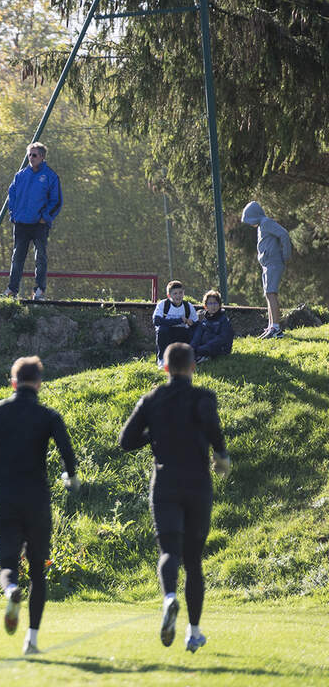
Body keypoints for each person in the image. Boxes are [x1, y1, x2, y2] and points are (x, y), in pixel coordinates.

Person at [119, 342, 231, 654]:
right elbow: (211, 424)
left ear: (165, 367)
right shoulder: (202, 397)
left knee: (169, 551)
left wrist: (153, 435)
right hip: (197, 483)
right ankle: (194, 633)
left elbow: (126, 441)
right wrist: (220, 453)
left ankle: (169, 597)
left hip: (165, 483)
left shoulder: (151, 399)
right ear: (193, 367)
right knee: (194, 561)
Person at [0, 356, 78, 655]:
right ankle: (32, 640)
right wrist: (71, 476)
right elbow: (67, 451)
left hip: (4, 499)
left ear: (13, 381)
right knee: (38, 571)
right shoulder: (48, 416)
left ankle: (11, 590)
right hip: (37, 500)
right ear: (39, 383)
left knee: (7, 565)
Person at [2, 142, 62, 300]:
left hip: (39, 225)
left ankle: (39, 290)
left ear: (42, 157)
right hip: (21, 223)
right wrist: (13, 215)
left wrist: (44, 217)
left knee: (40, 257)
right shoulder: (20, 175)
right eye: (29, 154)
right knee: (17, 257)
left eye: (34, 155)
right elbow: (11, 196)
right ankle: (12, 289)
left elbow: (56, 201)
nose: (31, 158)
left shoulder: (51, 176)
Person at [240, 201, 292, 339]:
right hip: (267, 264)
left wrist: (286, 255)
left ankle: (276, 328)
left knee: (271, 293)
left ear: (254, 215)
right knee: (268, 294)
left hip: (273, 263)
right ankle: (271, 326)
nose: (249, 223)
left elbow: (284, 234)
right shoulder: (261, 225)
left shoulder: (266, 222)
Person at [152, 280, 197, 368]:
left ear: (184, 293)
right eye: (175, 293)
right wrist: (179, 320)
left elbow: (195, 322)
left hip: (181, 333)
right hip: (166, 334)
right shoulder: (163, 304)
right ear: (169, 295)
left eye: (180, 293)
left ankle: (188, 359)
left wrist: (191, 323)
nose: (178, 296)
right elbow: (156, 321)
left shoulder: (188, 306)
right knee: (162, 330)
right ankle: (162, 360)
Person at [190, 291, 234, 364]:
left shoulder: (224, 319)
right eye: (210, 303)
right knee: (193, 332)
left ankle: (203, 356)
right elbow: (198, 334)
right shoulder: (203, 318)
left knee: (207, 337)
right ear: (205, 306)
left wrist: (202, 348)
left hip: (220, 347)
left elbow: (222, 338)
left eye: (215, 303)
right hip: (205, 345)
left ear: (219, 305)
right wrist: (192, 347)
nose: (213, 306)